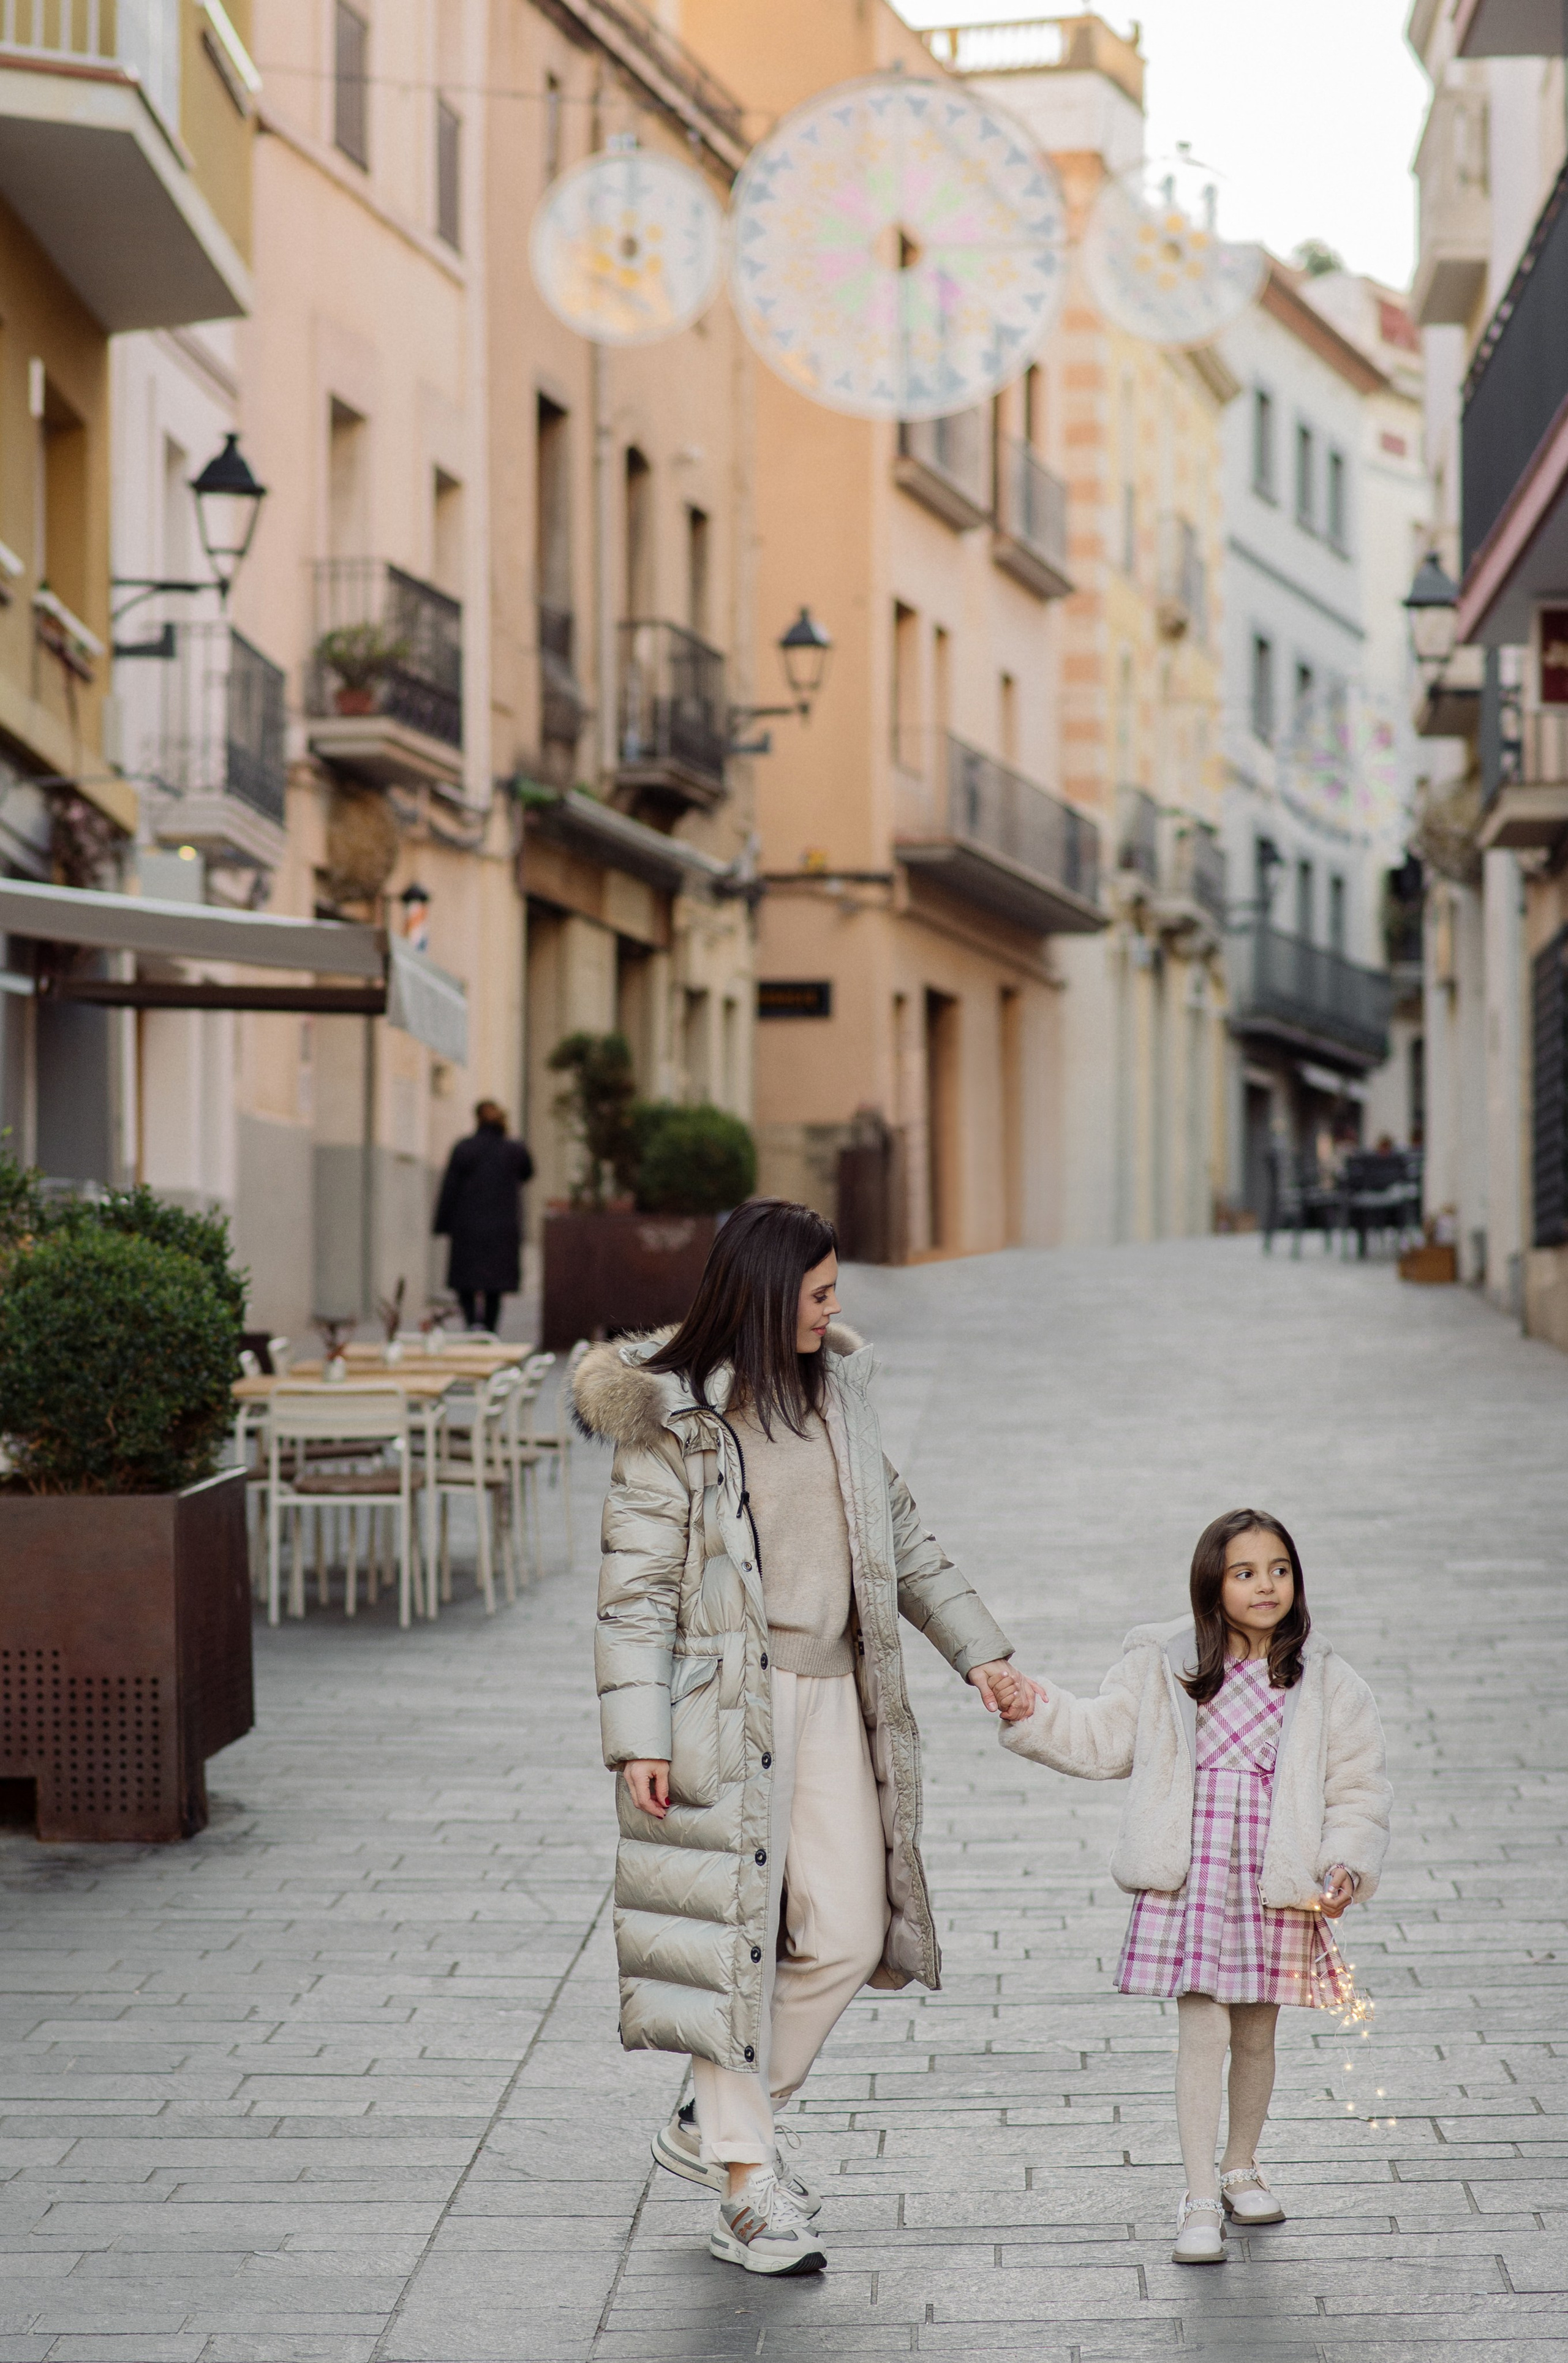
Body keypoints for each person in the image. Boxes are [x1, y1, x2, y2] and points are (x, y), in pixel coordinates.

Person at [570, 1199, 1033, 2278]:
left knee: (851, 1932)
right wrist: (637, 1734)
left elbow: (903, 1543)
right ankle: (746, 2186)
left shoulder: (841, 1398)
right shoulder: (677, 1419)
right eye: (820, 1292)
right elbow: (634, 1591)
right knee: (736, 1940)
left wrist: (982, 1654)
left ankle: (718, 2120)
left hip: (835, 1693)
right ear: (770, 1294)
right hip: (725, 1704)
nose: (837, 1308)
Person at [999, 1509, 1391, 2266]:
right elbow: (1101, 1736)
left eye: (1278, 1569)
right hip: (1195, 1877)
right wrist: (1033, 1707)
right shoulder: (1164, 1664)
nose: (1265, 1585)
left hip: (1274, 1878)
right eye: (1244, 1572)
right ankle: (1199, 2193)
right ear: (1211, 1583)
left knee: (1256, 2031)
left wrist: (1344, 1860)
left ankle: (1241, 2165)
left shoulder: (1327, 1679)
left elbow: (1358, 1784)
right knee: (1202, 2030)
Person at [431, 1099, 534, 1333]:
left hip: (467, 1227)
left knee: (465, 1282)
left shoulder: (464, 1148)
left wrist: (442, 1223)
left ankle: (471, 1326)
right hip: (502, 1228)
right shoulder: (514, 1149)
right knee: (494, 1287)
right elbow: (528, 1171)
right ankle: (489, 1329)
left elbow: (450, 1187)